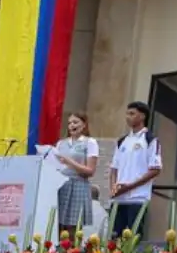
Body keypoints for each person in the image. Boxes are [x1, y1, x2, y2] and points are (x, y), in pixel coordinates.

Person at [109, 101, 161, 237]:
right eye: (127, 114)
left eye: (132, 114)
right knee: (114, 238)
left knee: (134, 237)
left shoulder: (150, 139)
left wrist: (130, 186)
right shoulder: (122, 141)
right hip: (119, 198)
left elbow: (155, 169)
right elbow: (114, 168)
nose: (128, 117)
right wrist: (113, 187)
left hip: (137, 198)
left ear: (142, 116)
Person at [48, 113, 100, 238]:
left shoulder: (90, 142)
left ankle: (72, 249)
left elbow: (90, 171)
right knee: (57, 225)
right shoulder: (61, 143)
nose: (72, 125)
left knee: (74, 227)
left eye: (75, 122)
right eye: (69, 123)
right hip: (62, 185)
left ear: (84, 124)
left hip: (78, 184)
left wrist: (69, 162)